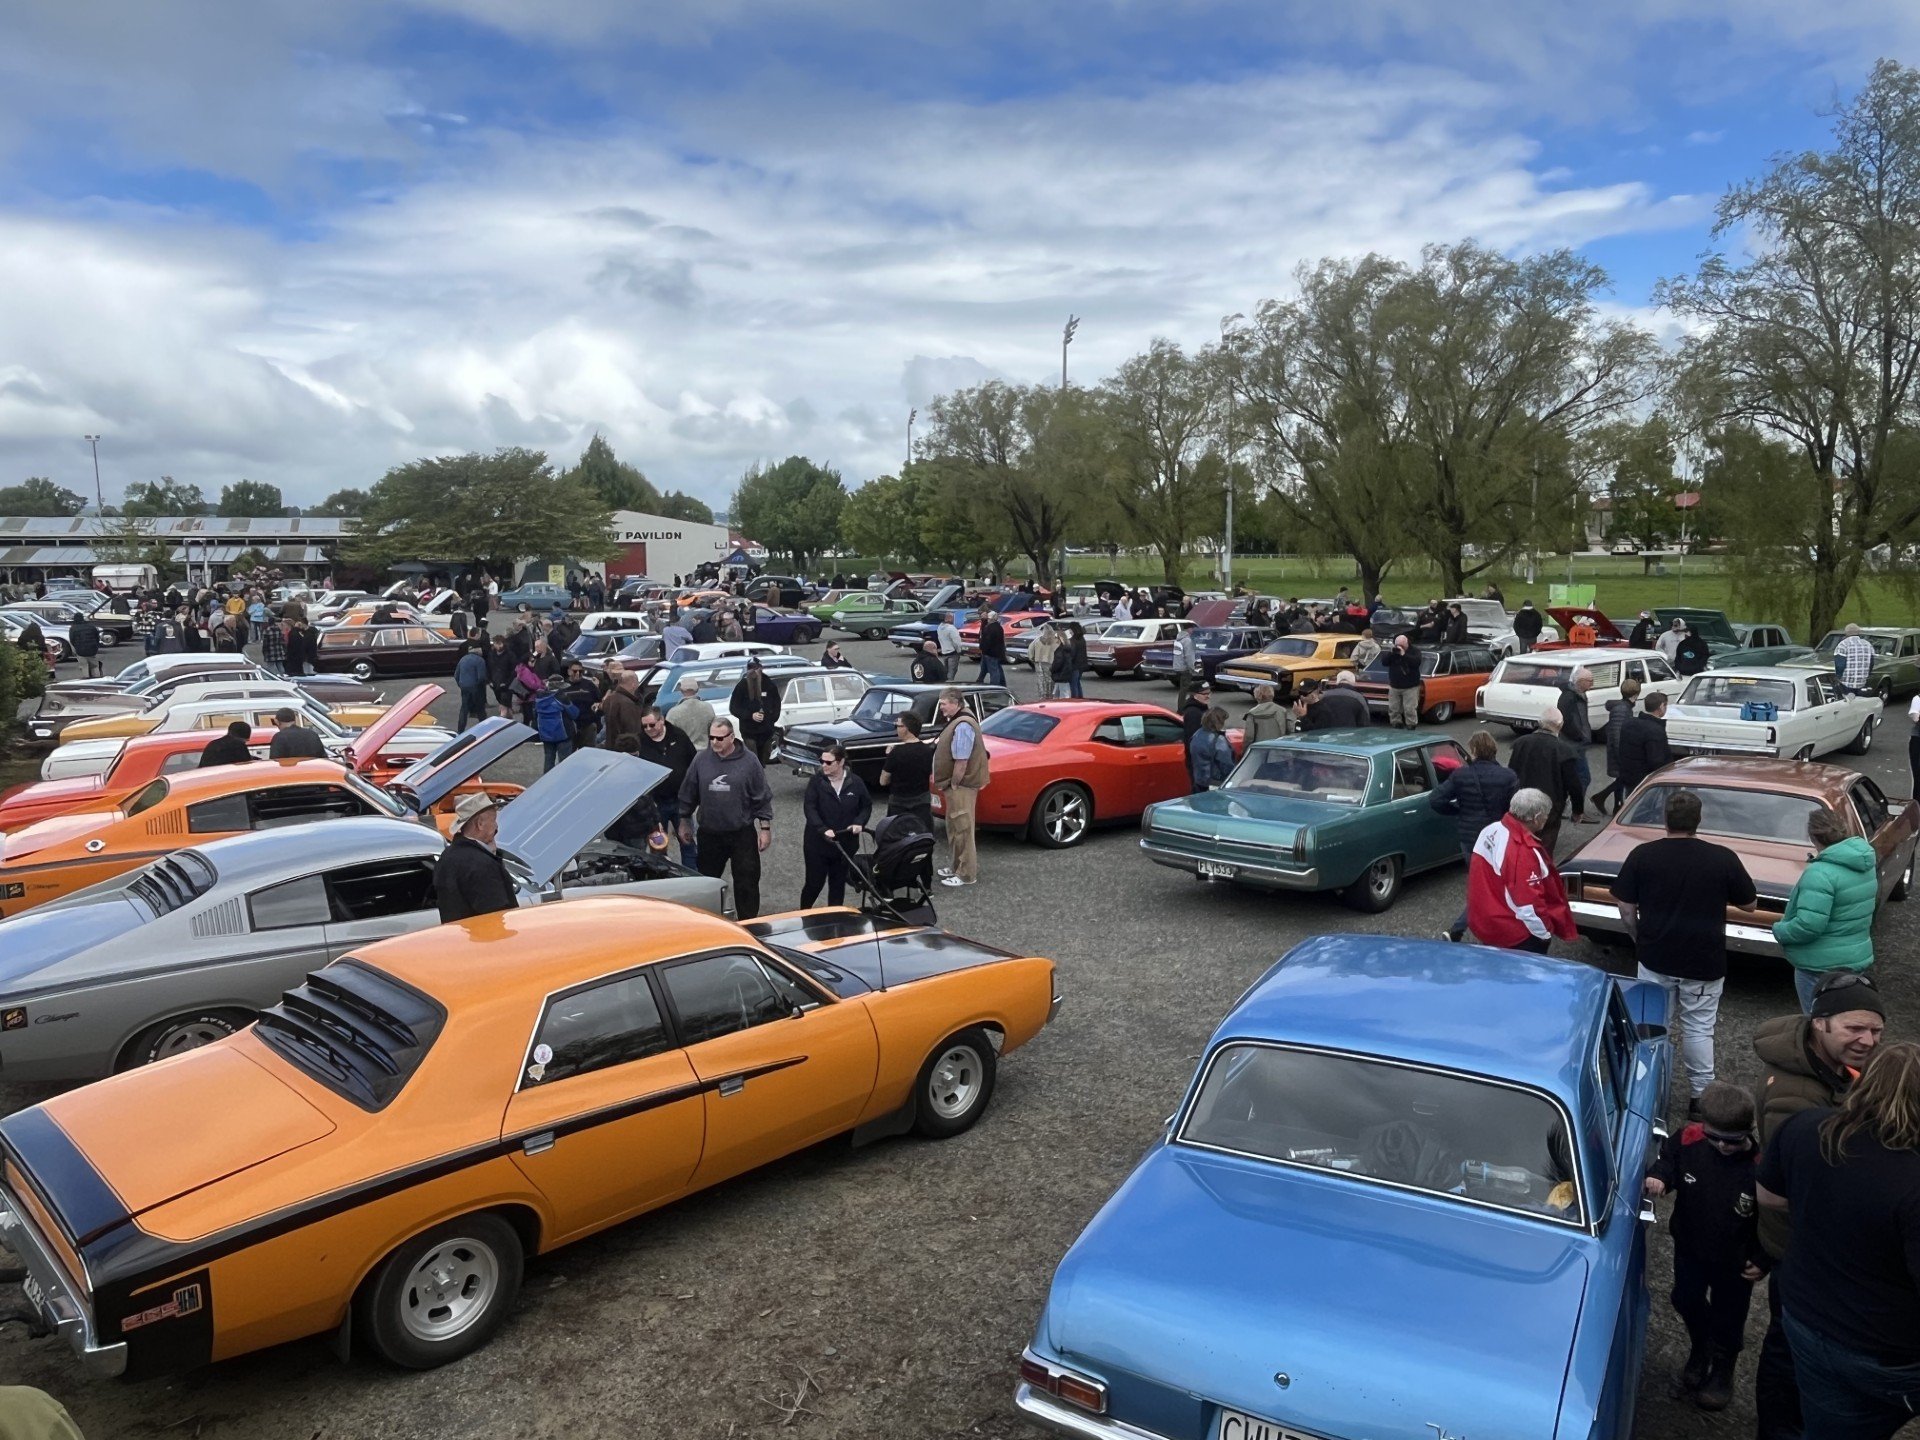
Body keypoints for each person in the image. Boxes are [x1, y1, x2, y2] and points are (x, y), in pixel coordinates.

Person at [1757, 1041, 1920, 1440]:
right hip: (1887, 1353)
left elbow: (1768, 1195)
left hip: (1808, 1322)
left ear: (1864, 1081)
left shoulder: (1808, 1126)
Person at [1751, 972, 1887, 1439]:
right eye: (1855, 1029)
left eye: (1876, 1031)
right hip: (1799, 1246)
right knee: (1788, 1348)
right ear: (1820, 1023)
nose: (1868, 1041)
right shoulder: (1798, 1100)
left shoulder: (1825, 1064)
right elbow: (1796, 1186)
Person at [1613, 788, 1759, 1109]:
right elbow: (1749, 904)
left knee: (1651, 1026)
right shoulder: (1722, 858)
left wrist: (1638, 937)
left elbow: (1625, 907)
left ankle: (1647, 1094)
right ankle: (1699, 1098)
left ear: (1665, 819)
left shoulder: (1643, 855)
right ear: (1699, 820)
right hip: (1704, 962)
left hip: (1655, 957)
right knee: (1699, 1030)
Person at [1644, 1081, 1767, 1411]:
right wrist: (1660, 1176)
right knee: (1684, 1298)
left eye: (1733, 1141)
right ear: (1704, 1128)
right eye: (1717, 1139)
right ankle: (1701, 1345)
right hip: (1691, 1245)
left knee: (1730, 1316)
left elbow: (1773, 1219)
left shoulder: (1759, 1166)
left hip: (1735, 1260)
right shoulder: (1688, 1140)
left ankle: (1722, 1369)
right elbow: (1668, 1160)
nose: (1725, 1147)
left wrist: (1762, 1256)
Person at [1774, 807, 1879, 1012]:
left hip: (1819, 965)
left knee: (1817, 1024)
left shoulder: (1820, 873)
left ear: (1813, 837)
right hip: (1855, 958)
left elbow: (1809, 925)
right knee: (1844, 1021)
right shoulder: (1864, 864)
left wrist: (1780, 930)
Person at [677, 717, 774, 919]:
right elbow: (688, 793)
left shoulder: (749, 761)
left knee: (746, 883)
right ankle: (708, 923)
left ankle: (749, 924)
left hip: (741, 834)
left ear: (731, 737)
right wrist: (684, 821)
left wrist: (765, 828)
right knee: (706, 883)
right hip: (710, 834)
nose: (714, 743)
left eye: (719, 738)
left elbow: (761, 796)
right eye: (711, 738)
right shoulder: (701, 760)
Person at [1431, 730, 1520, 942]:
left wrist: (1457, 812)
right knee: (1498, 884)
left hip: (1470, 838)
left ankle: (1463, 928)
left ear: (1473, 751)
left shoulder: (1461, 775)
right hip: (1499, 837)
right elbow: (1516, 810)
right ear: (1494, 750)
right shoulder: (1508, 777)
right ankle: (1462, 929)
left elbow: (1435, 800)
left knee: (1482, 884)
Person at [1466, 788, 1577, 953]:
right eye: (1546, 814)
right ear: (1537, 818)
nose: (1547, 817)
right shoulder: (1522, 852)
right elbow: (1529, 905)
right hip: (1514, 934)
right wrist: (1544, 934)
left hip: (1486, 921)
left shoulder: (1490, 830)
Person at [1505, 708, 1587, 853]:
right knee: (1544, 848)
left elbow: (1511, 773)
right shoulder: (1564, 750)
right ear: (1560, 725)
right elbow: (1574, 784)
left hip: (1521, 803)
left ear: (1539, 723)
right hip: (1550, 808)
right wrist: (1577, 810)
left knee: (1520, 844)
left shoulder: (1521, 744)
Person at [800, 744, 872, 907]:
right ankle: (803, 914)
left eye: (828, 762)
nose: (823, 765)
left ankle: (835, 919)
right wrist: (822, 828)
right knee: (814, 884)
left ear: (841, 763)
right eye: (822, 761)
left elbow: (866, 805)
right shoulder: (816, 782)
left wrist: (859, 822)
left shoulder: (856, 782)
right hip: (817, 845)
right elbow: (809, 807)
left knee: (838, 885)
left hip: (844, 845)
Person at [931, 688, 987, 888]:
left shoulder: (963, 725)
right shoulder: (959, 720)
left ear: (955, 703)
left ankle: (966, 874)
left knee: (963, 828)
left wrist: (954, 782)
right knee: (954, 826)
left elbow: (961, 761)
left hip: (960, 786)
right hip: (956, 785)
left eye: (944, 703)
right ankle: (956, 866)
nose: (941, 707)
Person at [434, 793, 518, 922]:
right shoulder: (482, 865)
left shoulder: (447, 857)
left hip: (457, 937)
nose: (496, 826)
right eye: (493, 820)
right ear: (479, 824)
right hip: (485, 939)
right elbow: (496, 914)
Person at [634, 707, 699, 867]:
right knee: (658, 847)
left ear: (661, 720)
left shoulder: (679, 736)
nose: (648, 729)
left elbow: (694, 763)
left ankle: (692, 878)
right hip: (655, 806)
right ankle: (663, 880)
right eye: (645, 726)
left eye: (652, 725)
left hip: (681, 803)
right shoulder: (640, 742)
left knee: (688, 843)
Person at [879, 711, 935, 830]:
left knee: (898, 838)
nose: (896, 729)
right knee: (922, 835)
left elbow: (883, 781)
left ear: (906, 728)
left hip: (899, 803)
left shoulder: (896, 752)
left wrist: (889, 756)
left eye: (898, 726)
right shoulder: (927, 751)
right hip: (922, 802)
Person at [1595, 676, 1641, 814]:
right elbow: (1617, 734)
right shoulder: (1622, 709)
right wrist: (1622, 755)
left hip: (1618, 749)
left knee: (1621, 778)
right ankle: (1602, 798)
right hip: (1620, 750)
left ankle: (1616, 805)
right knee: (1624, 777)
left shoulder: (1622, 707)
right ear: (1635, 694)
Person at [1616, 688, 1674, 799]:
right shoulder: (1655, 730)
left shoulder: (1629, 723)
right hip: (1647, 782)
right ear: (1661, 706)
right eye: (1666, 706)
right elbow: (1657, 761)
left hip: (1629, 777)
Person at [729, 657, 783, 763]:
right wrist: (750, 715)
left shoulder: (769, 685)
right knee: (752, 759)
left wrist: (770, 719)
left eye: (755, 668)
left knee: (763, 761)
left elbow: (776, 705)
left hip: (766, 731)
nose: (753, 670)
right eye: (750, 668)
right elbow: (734, 707)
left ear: (761, 668)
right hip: (749, 731)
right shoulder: (742, 686)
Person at [1557, 669, 1596, 797]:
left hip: (1576, 743)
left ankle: (1575, 810)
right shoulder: (1569, 697)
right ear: (1581, 681)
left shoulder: (1578, 695)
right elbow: (1566, 721)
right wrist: (1579, 736)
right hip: (1573, 745)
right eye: (1590, 681)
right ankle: (1576, 811)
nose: (1592, 684)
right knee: (1582, 778)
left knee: (1578, 778)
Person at [534, 676, 578, 771]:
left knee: (548, 760)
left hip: (546, 735)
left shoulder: (539, 698)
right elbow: (575, 714)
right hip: (563, 735)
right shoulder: (561, 698)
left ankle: (547, 781)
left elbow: (535, 716)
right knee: (564, 762)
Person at [1189, 707, 1234, 792]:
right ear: (1219, 722)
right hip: (1215, 783)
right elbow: (1226, 765)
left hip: (1199, 781)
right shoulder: (1218, 740)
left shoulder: (1196, 735)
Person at [667, 676, 717, 752]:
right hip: (705, 751)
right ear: (697, 689)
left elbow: (668, 736)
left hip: (684, 753)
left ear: (681, 690)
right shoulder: (708, 708)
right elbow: (715, 729)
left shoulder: (673, 712)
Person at [1383, 633, 1423, 729]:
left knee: (1409, 708)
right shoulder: (1393, 651)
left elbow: (1416, 662)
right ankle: (1396, 723)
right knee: (1393, 708)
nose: (1399, 647)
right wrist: (1391, 654)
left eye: (1401, 645)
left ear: (1406, 643)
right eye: (1397, 645)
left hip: (1410, 686)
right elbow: (1384, 662)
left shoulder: (1414, 651)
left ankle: (1411, 725)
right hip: (1395, 686)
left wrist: (1404, 655)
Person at [1832, 623, 1877, 697]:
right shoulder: (1868, 645)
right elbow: (1871, 663)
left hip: (1846, 682)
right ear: (1859, 633)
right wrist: (1867, 674)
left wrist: (1838, 677)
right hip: (1862, 682)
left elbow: (1840, 665)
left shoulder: (1843, 645)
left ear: (1846, 633)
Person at [453, 642, 489, 730]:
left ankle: (460, 729)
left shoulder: (463, 659)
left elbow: (456, 675)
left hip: (464, 687)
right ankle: (485, 728)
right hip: (476, 687)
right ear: (477, 650)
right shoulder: (480, 660)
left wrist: (460, 684)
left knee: (464, 709)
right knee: (480, 709)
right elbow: (481, 677)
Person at [977, 610, 1007, 686]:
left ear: (991, 619)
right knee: (994, 668)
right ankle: (1002, 684)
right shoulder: (998, 627)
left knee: (993, 670)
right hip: (995, 652)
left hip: (990, 653)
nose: (988, 620)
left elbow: (987, 640)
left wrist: (983, 649)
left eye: (988, 619)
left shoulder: (991, 628)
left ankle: (994, 685)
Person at [68, 612, 102, 679]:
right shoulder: (91, 627)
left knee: (84, 666)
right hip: (92, 649)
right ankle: (97, 678)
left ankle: (86, 679)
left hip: (80, 650)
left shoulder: (73, 628)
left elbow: (72, 640)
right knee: (94, 666)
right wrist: (96, 646)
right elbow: (97, 637)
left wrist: (76, 648)